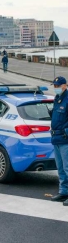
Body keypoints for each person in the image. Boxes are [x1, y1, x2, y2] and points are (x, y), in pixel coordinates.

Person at [50, 76, 68, 206]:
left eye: (58, 86)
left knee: (67, 168)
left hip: (65, 139)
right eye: (54, 86)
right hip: (56, 138)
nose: (56, 88)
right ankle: (63, 192)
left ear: (64, 85)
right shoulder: (57, 99)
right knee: (60, 168)